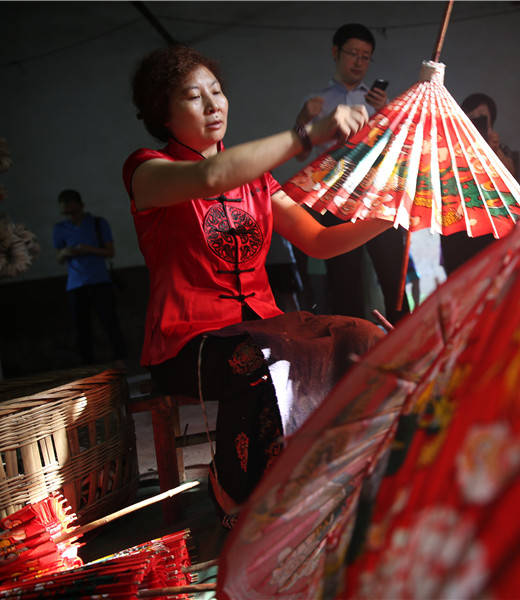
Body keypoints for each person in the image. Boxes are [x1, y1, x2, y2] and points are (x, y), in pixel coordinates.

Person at [123, 45, 393, 526]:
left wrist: (390, 212)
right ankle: (239, 499)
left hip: (267, 330)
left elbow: (320, 241)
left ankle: (326, 486)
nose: (213, 105)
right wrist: (308, 135)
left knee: (365, 340)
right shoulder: (146, 170)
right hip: (189, 345)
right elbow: (210, 175)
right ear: (162, 114)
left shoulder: (258, 181)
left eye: (218, 91)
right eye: (193, 96)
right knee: (265, 362)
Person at [293, 23, 411, 326]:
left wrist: (387, 113)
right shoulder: (315, 101)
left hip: (376, 197)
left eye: (365, 56)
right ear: (336, 52)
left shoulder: (377, 101)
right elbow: (301, 154)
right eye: (353, 54)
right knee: (343, 284)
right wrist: (304, 119)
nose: (359, 62)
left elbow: (397, 150)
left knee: (394, 278)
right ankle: (351, 356)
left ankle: (406, 349)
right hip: (335, 201)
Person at [440, 93, 518, 276]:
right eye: (472, 117)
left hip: (490, 223)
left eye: (483, 118)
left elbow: (511, 173)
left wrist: (495, 151)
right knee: (457, 275)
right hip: (458, 224)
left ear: (491, 122)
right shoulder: (453, 146)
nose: (477, 121)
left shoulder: (498, 148)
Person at [53, 189, 128, 365]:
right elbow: (58, 258)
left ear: (82, 206)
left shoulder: (97, 224)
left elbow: (110, 251)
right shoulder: (60, 229)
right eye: (66, 213)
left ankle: (121, 360)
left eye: (74, 211)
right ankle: (89, 365)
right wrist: (65, 252)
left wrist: (87, 249)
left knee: (110, 324)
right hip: (75, 284)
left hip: (100, 280)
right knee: (82, 329)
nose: (71, 216)